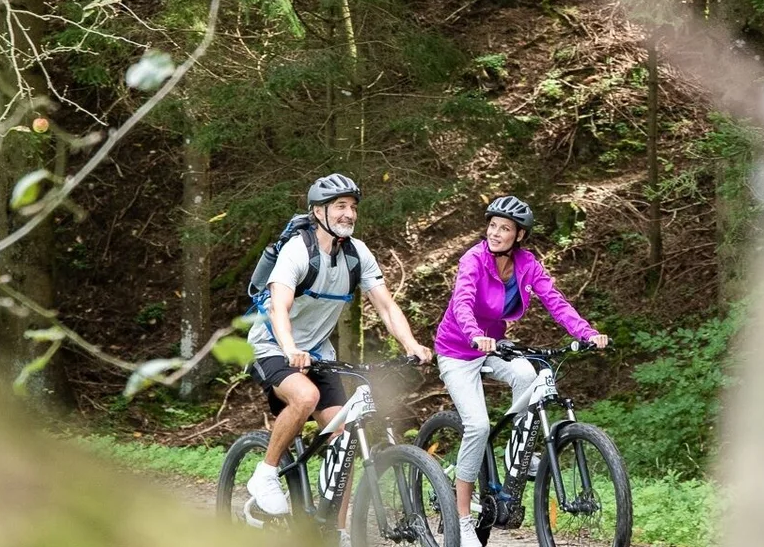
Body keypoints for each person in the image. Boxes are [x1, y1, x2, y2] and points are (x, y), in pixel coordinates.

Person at [243, 173, 434, 517]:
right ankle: (266, 473)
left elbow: (387, 306)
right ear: (318, 212)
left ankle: (338, 531)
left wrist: (411, 344)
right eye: (340, 206)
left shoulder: (357, 254)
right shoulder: (297, 251)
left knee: (342, 441)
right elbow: (278, 307)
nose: (348, 214)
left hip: (318, 354)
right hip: (272, 343)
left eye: (352, 207)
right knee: (305, 396)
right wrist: (289, 349)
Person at [433, 196, 609, 547]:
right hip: (457, 348)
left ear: (519, 235)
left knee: (531, 375)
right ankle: (463, 516)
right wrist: (475, 335)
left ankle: (520, 453)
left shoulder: (527, 264)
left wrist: (586, 333)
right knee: (478, 426)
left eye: (505, 228)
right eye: (493, 225)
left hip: (495, 346)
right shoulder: (473, 259)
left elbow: (555, 302)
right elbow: (462, 302)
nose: (496, 233)